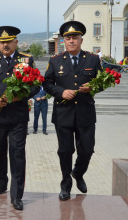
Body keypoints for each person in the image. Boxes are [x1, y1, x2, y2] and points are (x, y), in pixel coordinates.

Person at [0, 26, 39, 211]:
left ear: (16, 42)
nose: (5, 44)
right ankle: (0, 184)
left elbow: (36, 86)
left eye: (8, 41)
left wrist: (20, 96)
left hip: (18, 118)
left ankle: (16, 195)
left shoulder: (26, 60)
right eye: (2, 41)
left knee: (17, 155)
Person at [43, 21, 103, 201]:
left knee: (87, 150)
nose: (71, 41)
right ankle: (65, 184)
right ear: (64, 41)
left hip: (85, 114)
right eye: (68, 38)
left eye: (74, 38)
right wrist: (61, 92)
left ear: (81, 40)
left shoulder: (92, 60)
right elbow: (46, 83)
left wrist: (92, 87)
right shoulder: (55, 61)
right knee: (65, 151)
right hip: (64, 114)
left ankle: (78, 173)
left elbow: (102, 82)